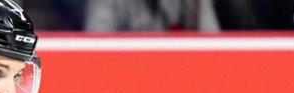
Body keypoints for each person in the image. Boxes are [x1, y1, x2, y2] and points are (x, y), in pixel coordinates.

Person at [85, 0, 221, 31]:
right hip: (128, 81)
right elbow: (95, 55)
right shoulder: (106, 3)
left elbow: (214, 55)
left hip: (180, 81)